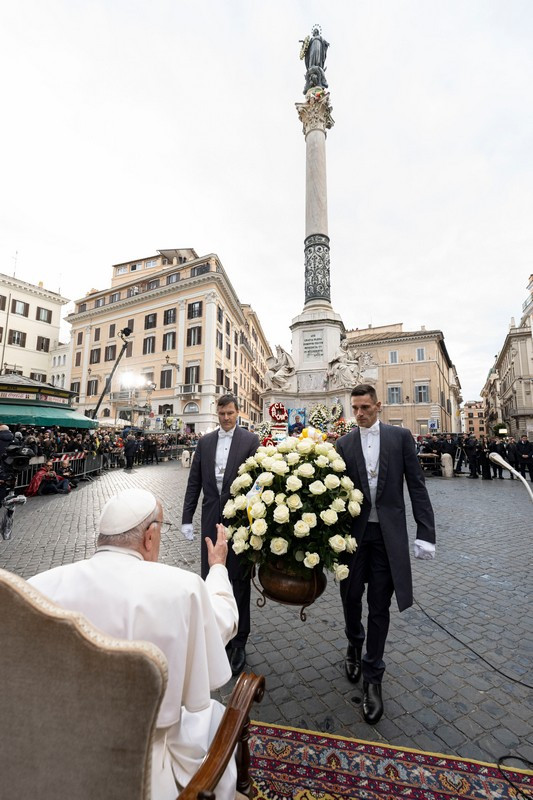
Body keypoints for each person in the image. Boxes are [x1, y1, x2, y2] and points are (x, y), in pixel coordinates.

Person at [29, 488, 238, 800]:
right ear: (150, 537)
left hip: (60, 750)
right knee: (214, 717)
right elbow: (221, 624)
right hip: (147, 768)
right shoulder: (182, 590)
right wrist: (218, 566)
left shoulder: (38, 586)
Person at [336, 384, 436, 725]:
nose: (360, 413)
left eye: (365, 407)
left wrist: (426, 533)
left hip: (387, 536)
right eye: (355, 408)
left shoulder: (400, 438)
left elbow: (417, 486)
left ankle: (373, 675)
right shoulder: (343, 444)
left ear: (378, 406)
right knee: (350, 596)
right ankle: (353, 642)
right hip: (354, 536)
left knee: (380, 604)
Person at [182, 395, 259, 676]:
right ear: (217, 413)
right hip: (210, 517)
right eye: (222, 413)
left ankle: (239, 641)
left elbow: (258, 480)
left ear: (238, 412)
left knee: (238, 580)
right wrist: (187, 518)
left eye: (230, 413)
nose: (226, 417)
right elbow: (194, 482)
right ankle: (218, 633)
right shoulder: (204, 442)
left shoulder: (250, 441)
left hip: (238, 519)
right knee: (211, 577)